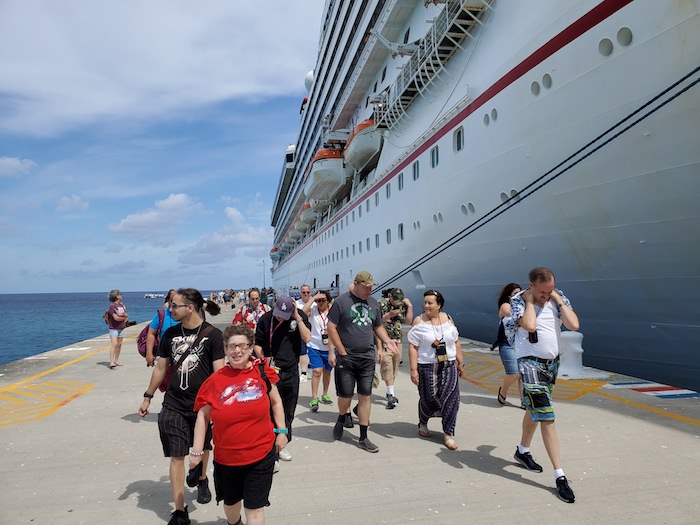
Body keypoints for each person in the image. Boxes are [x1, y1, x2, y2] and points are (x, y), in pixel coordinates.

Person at [138, 288, 225, 525]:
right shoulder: (169, 335)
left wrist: (217, 406)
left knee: (204, 447)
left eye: (175, 305)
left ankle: (203, 477)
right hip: (174, 404)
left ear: (190, 308)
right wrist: (148, 396)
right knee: (177, 456)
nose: (170, 309)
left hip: (203, 407)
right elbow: (160, 368)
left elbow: (219, 374)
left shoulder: (213, 335)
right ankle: (179, 510)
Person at [190, 324, 288, 525]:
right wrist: (197, 452)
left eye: (243, 346)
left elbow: (276, 401)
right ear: (225, 350)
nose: (237, 351)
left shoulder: (262, 373)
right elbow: (202, 417)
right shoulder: (215, 381)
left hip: (261, 454)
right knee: (231, 505)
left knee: (254, 508)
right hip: (227, 458)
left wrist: (282, 431)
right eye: (232, 346)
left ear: (251, 347)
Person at [503, 267, 580, 504]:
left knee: (533, 410)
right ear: (532, 285)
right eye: (543, 291)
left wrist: (557, 300)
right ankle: (560, 476)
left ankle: (522, 451)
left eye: (550, 290)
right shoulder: (517, 302)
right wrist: (528, 302)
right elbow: (530, 326)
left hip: (551, 365)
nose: (547, 295)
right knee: (547, 417)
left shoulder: (557, 298)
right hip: (529, 364)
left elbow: (574, 325)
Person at [327, 271, 399, 453]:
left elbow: (377, 326)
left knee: (365, 395)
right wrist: (341, 351)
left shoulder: (373, 303)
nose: (369, 291)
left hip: (367, 356)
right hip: (347, 356)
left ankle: (363, 437)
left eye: (371, 287)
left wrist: (387, 340)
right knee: (345, 395)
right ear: (356, 284)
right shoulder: (341, 302)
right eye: (365, 287)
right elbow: (331, 327)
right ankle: (342, 417)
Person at [254, 295, 311, 465]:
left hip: (291, 371)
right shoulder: (266, 319)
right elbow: (257, 343)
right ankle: (271, 449)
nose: (280, 318)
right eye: (278, 314)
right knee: (270, 410)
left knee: (289, 411)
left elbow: (307, 339)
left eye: (284, 315)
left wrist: (298, 318)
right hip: (271, 371)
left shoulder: (299, 317)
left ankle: (283, 443)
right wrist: (264, 359)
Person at [407, 289, 464, 450]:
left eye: (430, 303)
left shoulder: (448, 319)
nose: (426, 305)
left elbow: (456, 342)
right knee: (428, 397)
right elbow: (412, 346)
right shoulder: (419, 322)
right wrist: (413, 370)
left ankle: (448, 433)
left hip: (449, 364)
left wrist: (461, 362)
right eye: (425, 302)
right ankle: (423, 422)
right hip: (426, 365)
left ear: (439, 305)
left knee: (451, 397)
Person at [377, 288, 413, 409]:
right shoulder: (381, 304)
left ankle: (389, 390)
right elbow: (376, 322)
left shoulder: (402, 305)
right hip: (385, 339)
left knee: (394, 367)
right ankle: (391, 395)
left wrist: (410, 307)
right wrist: (389, 315)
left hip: (397, 340)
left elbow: (408, 321)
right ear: (390, 296)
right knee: (387, 365)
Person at [301, 290, 335, 412]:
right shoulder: (313, 310)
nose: (320, 303)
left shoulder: (333, 311)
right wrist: (313, 298)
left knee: (327, 371)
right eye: (318, 300)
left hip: (330, 346)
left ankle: (325, 394)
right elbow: (302, 312)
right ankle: (314, 398)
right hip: (314, 345)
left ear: (328, 301)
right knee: (316, 371)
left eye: (323, 300)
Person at [493, 283, 523, 407]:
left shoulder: (522, 306)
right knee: (514, 374)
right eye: (515, 293)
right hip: (507, 344)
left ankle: (524, 402)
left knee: (523, 375)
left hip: (521, 345)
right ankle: (503, 391)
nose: (518, 296)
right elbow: (517, 317)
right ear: (509, 295)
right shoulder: (505, 306)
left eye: (519, 293)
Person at [145, 289, 180, 367]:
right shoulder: (161, 315)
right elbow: (151, 333)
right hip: (165, 357)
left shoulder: (186, 316)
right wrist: (149, 354)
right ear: (168, 301)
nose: (174, 303)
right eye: (172, 300)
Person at [107, 289, 128, 368]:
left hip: (121, 327)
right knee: (114, 344)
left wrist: (122, 317)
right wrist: (123, 317)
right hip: (114, 328)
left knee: (119, 345)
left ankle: (116, 361)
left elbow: (126, 315)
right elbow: (116, 318)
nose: (121, 295)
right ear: (116, 296)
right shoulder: (112, 306)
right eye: (119, 294)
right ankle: (112, 361)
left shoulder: (122, 305)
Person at [296, 284, 313, 383]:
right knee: (302, 352)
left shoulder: (315, 303)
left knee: (312, 352)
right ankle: (303, 373)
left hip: (314, 331)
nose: (306, 294)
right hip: (301, 331)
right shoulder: (297, 304)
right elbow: (301, 313)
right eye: (303, 292)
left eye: (307, 292)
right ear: (300, 293)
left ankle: (310, 367)